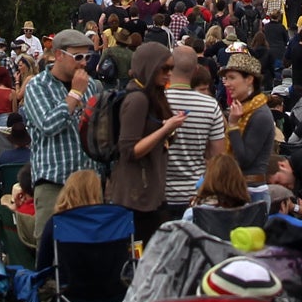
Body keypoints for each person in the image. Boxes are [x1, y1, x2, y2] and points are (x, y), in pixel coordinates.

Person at [22, 28, 97, 242]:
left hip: (86, 182)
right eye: (78, 57)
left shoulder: (92, 85)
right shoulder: (38, 86)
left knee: (88, 245)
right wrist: (74, 94)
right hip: (54, 182)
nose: (84, 63)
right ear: (59, 55)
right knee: (50, 246)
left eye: (87, 57)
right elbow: (48, 124)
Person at [109, 42, 187, 241]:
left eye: (172, 68)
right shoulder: (138, 100)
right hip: (137, 197)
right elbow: (129, 150)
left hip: (150, 192)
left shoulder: (154, 96)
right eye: (165, 68)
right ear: (150, 67)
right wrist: (165, 129)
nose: (169, 73)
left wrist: (167, 129)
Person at [162, 48, 227, 221]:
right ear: (196, 70)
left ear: (169, 67)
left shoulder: (157, 100)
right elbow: (218, 157)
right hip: (196, 196)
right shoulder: (210, 105)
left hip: (161, 195)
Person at [220, 50, 275, 184]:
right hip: (237, 187)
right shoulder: (243, 110)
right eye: (226, 78)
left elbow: (244, 160)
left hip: (252, 191)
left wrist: (233, 125)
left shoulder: (260, 114)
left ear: (249, 79)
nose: (226, 84)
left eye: (232, 78)